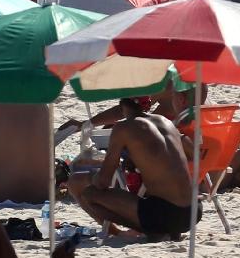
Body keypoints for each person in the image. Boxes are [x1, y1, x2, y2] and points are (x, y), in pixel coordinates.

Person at [66, 96, 196, 240]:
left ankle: (132, 232)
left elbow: (103, 181)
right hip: (193, 211)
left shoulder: (123, 128)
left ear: (121, 108)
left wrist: (92, 177)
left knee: (88, 195)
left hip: (165, 213)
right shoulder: (164, 121)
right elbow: (192, 152)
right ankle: (169, 231)